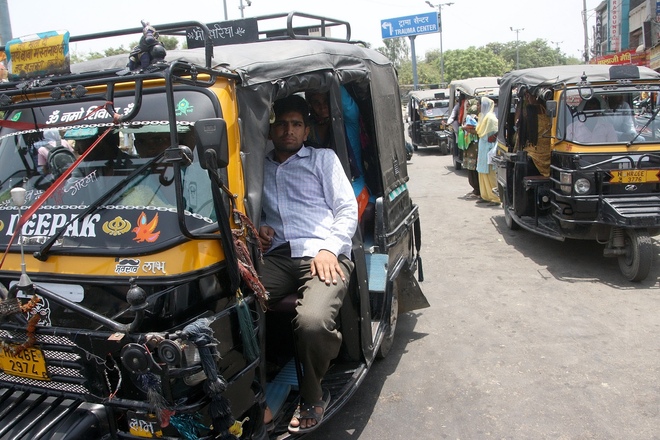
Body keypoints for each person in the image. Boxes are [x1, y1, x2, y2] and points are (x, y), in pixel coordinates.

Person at [258, 94, 358, 434]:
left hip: (323, 254)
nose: (288, 130)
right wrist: (259, 227)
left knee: (313, 322)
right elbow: (249, 211)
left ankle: (314, 395)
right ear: (270, 128)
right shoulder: (257, 167)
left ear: (306, 130)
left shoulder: (322, 159)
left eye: (296, 124)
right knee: (235, 308)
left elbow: (347, 209)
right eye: (281, 123)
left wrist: (330, 250)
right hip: (278, 255)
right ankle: (256, 385)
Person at [305, 87, 373, 223]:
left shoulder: (348, 121)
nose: (322, 107)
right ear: (310, 105)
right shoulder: (307, 130)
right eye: (316, 102)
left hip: (353, 187)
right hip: (319, 189)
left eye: (326, 101)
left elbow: (337, 87)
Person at [517, 91, 552, 177]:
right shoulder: (549, 110)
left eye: (528, 96)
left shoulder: (528, 112)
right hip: (550, 152)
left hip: (534, 154)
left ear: (536, 96)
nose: (527, 98)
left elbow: (521, 137)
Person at [475, 97, 500, 205]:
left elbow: (496, 133)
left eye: (479, 105)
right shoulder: (483, 117)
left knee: (490, 173)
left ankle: (495, 198)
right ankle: (485, 195)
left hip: (489, 148)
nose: (477, 107)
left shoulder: (490, 118)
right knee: (482, 172)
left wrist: (492, 138)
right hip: (483, 147)